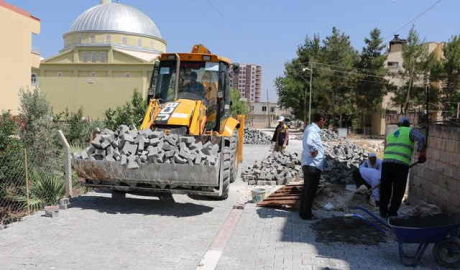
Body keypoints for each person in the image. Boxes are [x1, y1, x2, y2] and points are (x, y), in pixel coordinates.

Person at [380, 117, 426, 218]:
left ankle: (383, 212)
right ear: (408, 124)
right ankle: (392, 213)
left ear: (399, 125)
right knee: (398, 189)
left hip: (386, 163)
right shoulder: (410, 131)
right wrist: (421, 153)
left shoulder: (392, 134)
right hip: (400, 164)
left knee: (385, 188)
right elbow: (421, 138)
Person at [299, 111, 327, 220]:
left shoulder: (311, 129)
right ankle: (307, 214)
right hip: (312, 165)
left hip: (311, 165)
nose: (324, 123)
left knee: (307, 190)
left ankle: (303, 212)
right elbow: (309, 142)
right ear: (321, 119)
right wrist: (313, 150)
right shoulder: (312, 130)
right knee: (310, 191)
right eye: (324, 121)